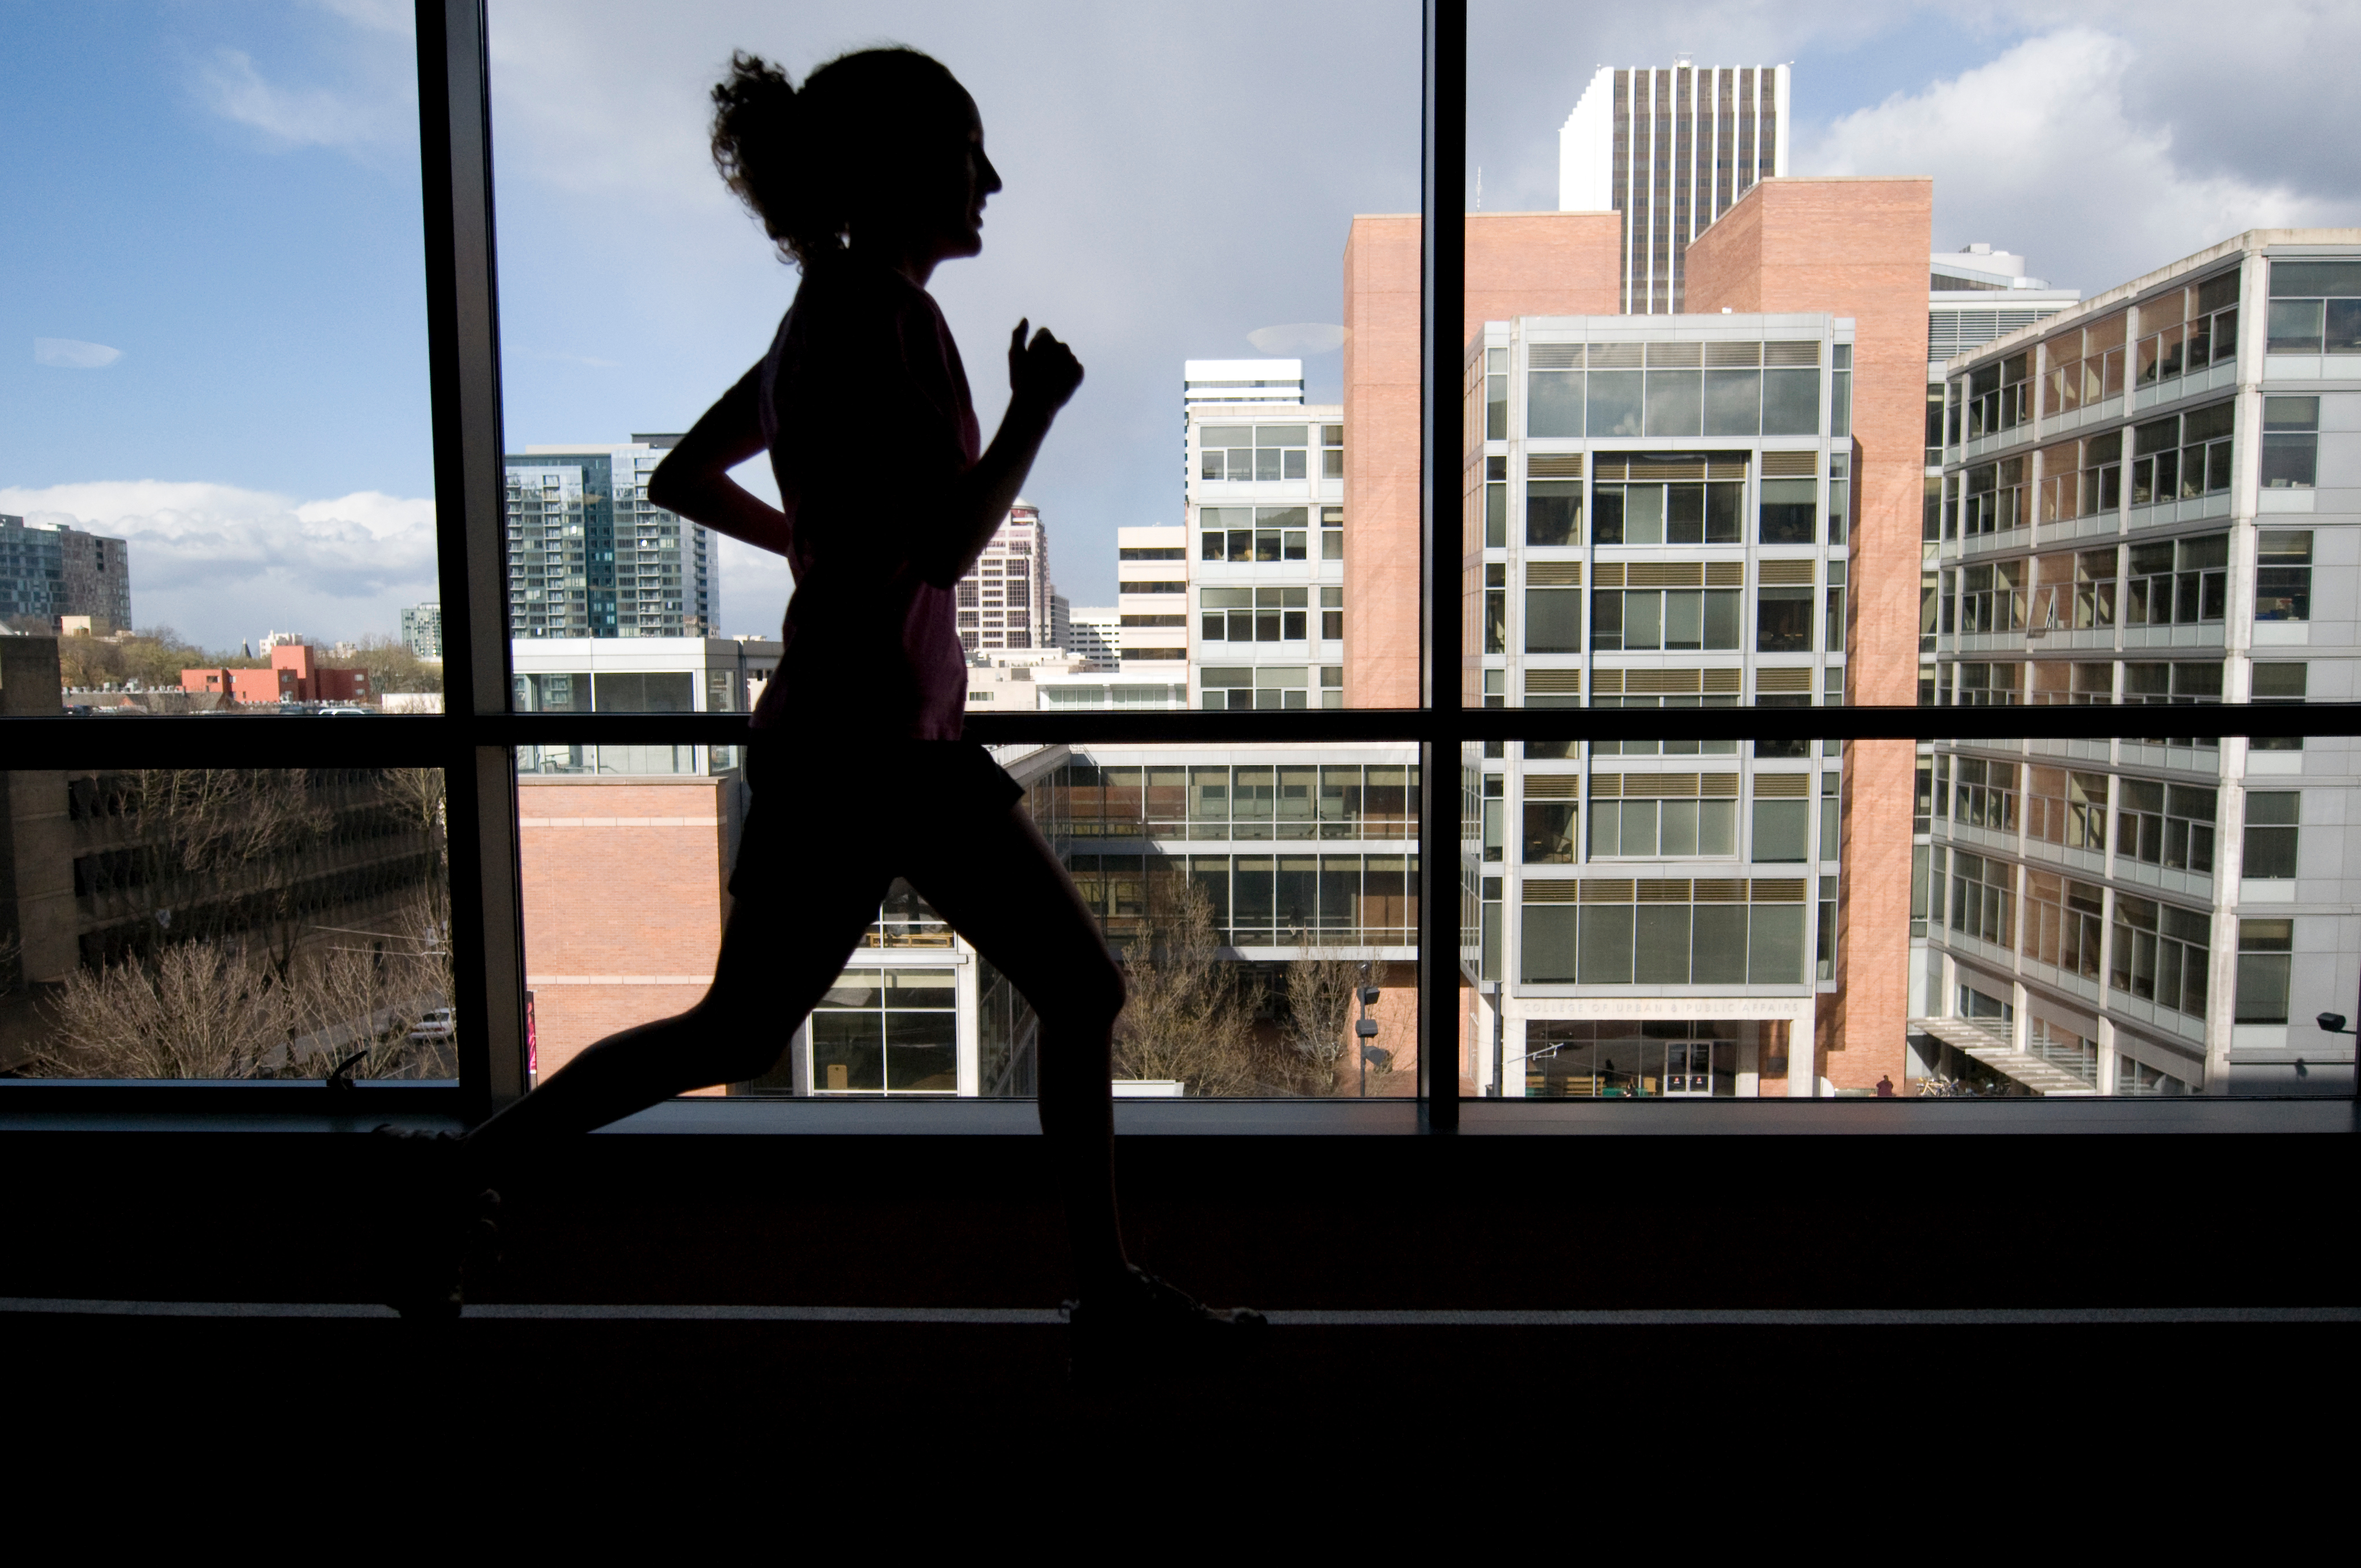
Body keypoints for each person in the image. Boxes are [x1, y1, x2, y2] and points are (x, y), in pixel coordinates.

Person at [390, 46, 1258, 1341]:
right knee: (1077, 992)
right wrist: (1032, 412)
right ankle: (1105, 1291)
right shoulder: (890, 316)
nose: (995, 179)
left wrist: (802, 541)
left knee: (735, 1029)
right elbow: (950, 548)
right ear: (906, 167)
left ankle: (463, 1170)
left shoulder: (815, 321)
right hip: (887, 749)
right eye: (970, 150)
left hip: (832, 740)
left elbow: (684, 476)